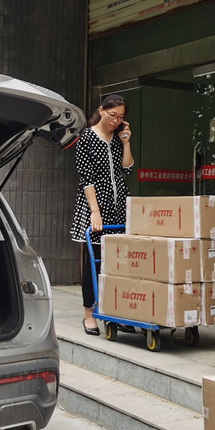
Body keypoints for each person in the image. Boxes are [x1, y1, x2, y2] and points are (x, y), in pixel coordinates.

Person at [70, 94, 134, 334]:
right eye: (112, 115)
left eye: (120, 117)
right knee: (94, 260)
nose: (115, 121)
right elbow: (86, 179)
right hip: (96, 205)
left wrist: (126, 142)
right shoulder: (86, 138)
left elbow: (127, 168)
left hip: (119, 206)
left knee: (118, 261)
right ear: (102, 110)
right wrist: (95, 212)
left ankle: (114, 311)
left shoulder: (117, 138)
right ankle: (89, 313)